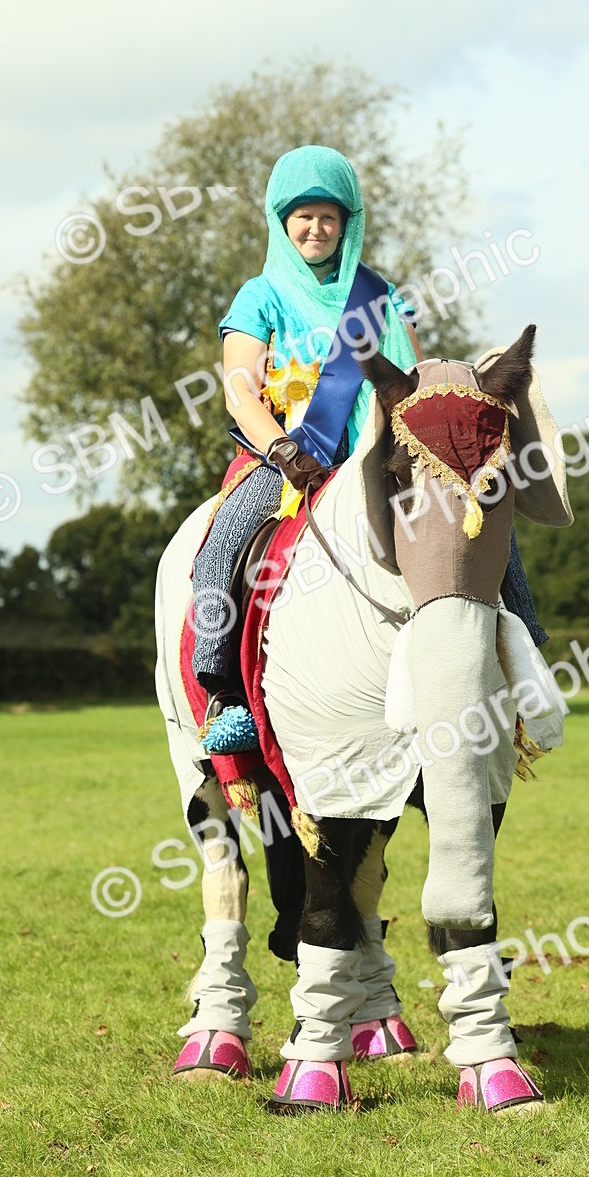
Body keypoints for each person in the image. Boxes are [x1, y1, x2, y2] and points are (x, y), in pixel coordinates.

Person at [191, 145, 422, 736]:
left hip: (379, 454)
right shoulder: (260, 295)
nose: (316, 228)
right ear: (281, 222)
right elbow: (239, 392)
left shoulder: (381, 294)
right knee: (222, 547)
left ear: (348, 223)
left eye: (328, 216)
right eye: (303, 216)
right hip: (288, 459)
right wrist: (282, 450)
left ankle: (520, 654)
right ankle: (225, 692)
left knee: (476, 515)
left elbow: (412, 386)